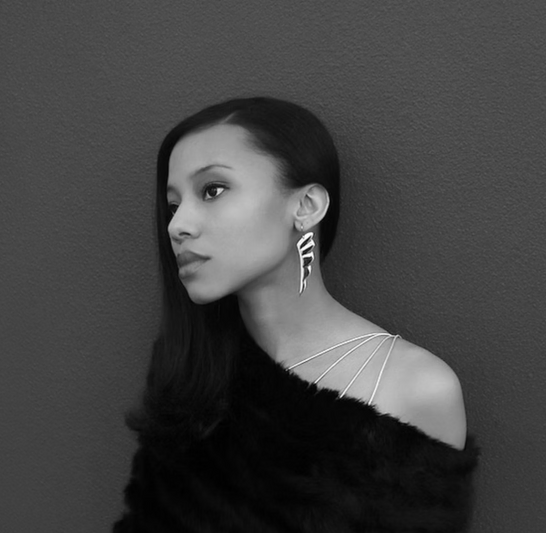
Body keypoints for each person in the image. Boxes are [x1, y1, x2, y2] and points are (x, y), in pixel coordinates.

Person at [114, 96, 479, 532]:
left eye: (212, 190)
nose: (177, 226)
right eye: (173, 205)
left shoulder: (417, 388)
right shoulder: (191, 373)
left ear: (306, 207)